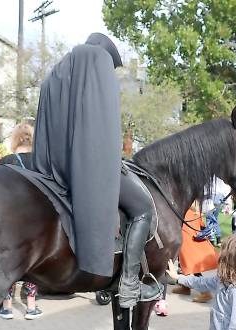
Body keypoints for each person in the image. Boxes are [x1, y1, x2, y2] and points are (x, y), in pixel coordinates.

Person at [32, 32, 162, 308]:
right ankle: (129, 284)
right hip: (89, 166)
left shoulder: (57, 73)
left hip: (55, 168)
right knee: (142, 208)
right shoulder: (96, 60)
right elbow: (100, 127)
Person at [0, 123, 43, 319]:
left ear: (14, 140)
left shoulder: (5, 161)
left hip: (9, 222)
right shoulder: (42, 162)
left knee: (9, 262)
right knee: (33, 263)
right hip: (37, 221)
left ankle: (6, 306)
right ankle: (31, 306)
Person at [172, 205, 219, 303]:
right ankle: (185, 287)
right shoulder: (192, 212)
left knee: (192, 267)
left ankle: (205, 292)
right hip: (186, 239)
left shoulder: (189, 211)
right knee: (186, 265)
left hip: (189, 240)